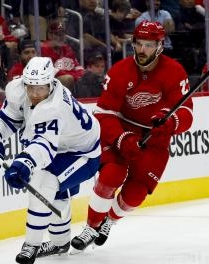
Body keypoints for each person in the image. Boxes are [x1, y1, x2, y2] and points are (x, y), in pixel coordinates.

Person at [71, 21, 193, 251]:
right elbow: (104, 113)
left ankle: (109, 221)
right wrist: (122, 138)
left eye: (148, 44)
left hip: (155, 139)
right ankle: (91, 226)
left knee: (135, 193)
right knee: (111, 175)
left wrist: (169, 122)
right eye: (139, 43)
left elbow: (186, 112)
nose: (142, 49)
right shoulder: (119, 70)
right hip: (120, 131)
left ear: (160, 45)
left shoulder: (174, 72)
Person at [0, 56, 101, 264]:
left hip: (83, 153)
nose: (35, 93)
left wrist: (23, 163)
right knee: (56, 192)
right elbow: (8, 117)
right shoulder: (19, 89)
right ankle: (60, 243)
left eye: (41, 88)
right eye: (30, 87)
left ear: (51, 84)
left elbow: (44, 145)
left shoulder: (54, 107)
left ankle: (31, 244)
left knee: (43, 181)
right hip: (62, 146)